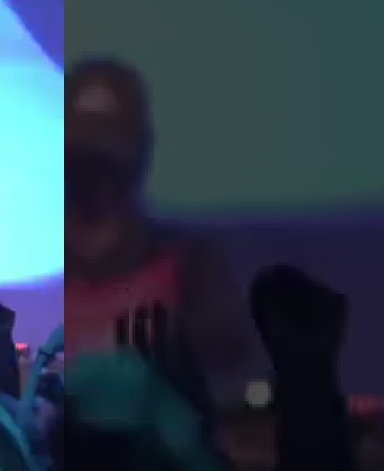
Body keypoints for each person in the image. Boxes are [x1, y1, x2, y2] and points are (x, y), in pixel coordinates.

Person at [64, 57, 248, 385]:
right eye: (83, 142)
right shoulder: (29, 269)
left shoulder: (190, 265)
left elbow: (230, 375)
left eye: (109, 140)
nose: (96, 162)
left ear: (142, 148)